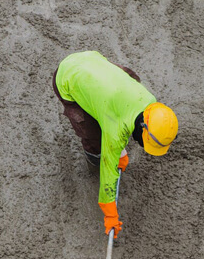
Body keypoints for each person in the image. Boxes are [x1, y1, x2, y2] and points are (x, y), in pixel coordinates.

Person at [53, 50, 178, 238]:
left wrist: (119, 150)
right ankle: (91, 155)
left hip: (93, 61)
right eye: (147, 143)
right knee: (93, 134)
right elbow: (108, 169)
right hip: (67, 77)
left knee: (130, 76)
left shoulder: (150, 102)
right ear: (143, 128)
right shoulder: (115, 131)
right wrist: (110, 212)